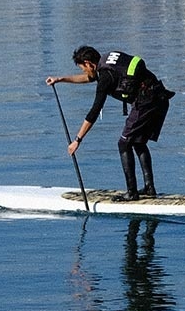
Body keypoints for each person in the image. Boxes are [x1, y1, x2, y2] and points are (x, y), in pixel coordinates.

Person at [48, 45, 174, 200]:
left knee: (124, 144)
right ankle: (149, 188)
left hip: (147, 102)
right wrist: (60, 79)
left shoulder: (106, 77)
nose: (84, 72)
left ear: (88, 63)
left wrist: (77, 140)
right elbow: (91, 77)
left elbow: (94, 112)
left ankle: (132, 193)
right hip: (159, 97)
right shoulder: (108, 61)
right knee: (138, 142)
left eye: (83, 68)